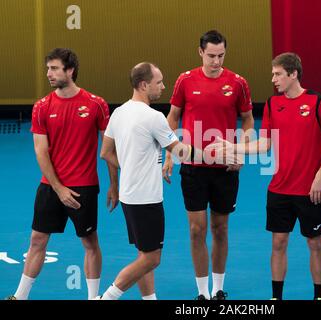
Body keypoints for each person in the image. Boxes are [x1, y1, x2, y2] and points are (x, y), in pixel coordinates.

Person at [208, 52, 321, 300]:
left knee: (315, 243)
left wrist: (320, 176)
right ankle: (276, 298)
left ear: (293, 74)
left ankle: (319, 296)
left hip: (310, 189)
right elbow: (265, 144)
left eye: (278, 74)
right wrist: (233, 146)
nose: (274, 79)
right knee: (278, 243)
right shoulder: (272, 104)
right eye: (273, 74)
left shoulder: (318, 102)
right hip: (279, 188)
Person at [98, 62, 226, 300]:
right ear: (144, 85)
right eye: (159, 82)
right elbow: (181, 153)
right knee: (152, 258)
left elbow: (106, 152)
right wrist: (215, 155)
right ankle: (106, 297)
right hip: (146, 198)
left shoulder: (119, 112)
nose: (163, 87)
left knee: (143, 254)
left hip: (128, 195)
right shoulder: (154, 117)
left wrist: (129, 167)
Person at [6, 48, 119, 300]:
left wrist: (114, 185)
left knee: (90, 242)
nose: (49, 73)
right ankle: (19, 296)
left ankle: (93, 297)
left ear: (70, 70)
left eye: (54, 68)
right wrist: (58, 188)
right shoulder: (42, 107)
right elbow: (40, 152)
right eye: (48, 68)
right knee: (37, 240)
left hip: (85, 187)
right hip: (50, 187)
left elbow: (109, 148)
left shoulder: (96, 104)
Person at [162, 30, 254, 300]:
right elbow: (173, 117)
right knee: (196, 229)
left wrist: (242, 152)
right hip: (192, 164)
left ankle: (218, 289)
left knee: (220, 228)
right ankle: (201, 292)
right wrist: (169, 154)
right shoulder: (185, 80)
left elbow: (248, 120)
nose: (216, 61)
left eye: (221, 56)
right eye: (211, 56)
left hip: (225, 168)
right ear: (200, 52)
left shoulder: (237, 83)